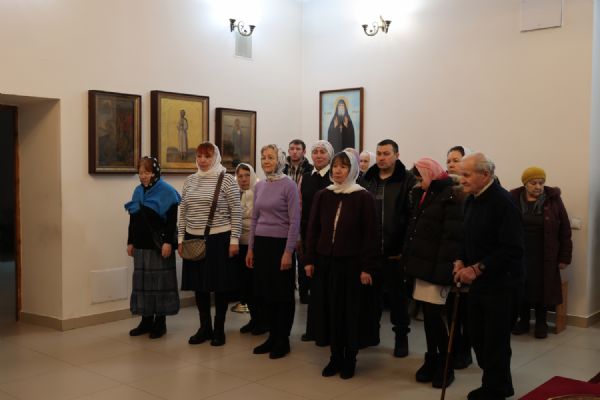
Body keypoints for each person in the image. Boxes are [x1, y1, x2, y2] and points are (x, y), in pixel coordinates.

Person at [454, 152, 524, 400]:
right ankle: (501, 384)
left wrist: (476, 269)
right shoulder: (472, 199)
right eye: (461, 174)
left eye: (466, 174)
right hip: (480, 284)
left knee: (495, 341)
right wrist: (460, 259)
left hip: (503, 284)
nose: (461, 180)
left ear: (485, 174)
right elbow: (466, 236)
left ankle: (494, 389)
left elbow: (512, 249)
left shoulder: (503, 203)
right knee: (477, 336)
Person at [304, 150, 380, 379]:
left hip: (352, 264)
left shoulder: (363, 197)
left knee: (350, 313)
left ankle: (350, 358)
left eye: (343, 166)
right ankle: (335, 356)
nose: (337, 170)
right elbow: (313, 229)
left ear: (352, 170)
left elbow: (371, 235)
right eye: (335, 166)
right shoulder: (323, 195)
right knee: (331, 310)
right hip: (326, 262)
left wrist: (367, 267)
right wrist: (309, 259)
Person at [403, 157, 465, 389]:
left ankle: (445, 365)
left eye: (421, 177)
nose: (418, 182)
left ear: (431, 174)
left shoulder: (450, 196)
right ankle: (431, 358)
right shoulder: (425, 194)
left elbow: (451, 239)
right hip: (423, 266)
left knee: (436, 319)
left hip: (437, 269)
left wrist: (442, 273)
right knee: (428, 318)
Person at [178, 142, 242, 347]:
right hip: (193, 239)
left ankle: (219, 329)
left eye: (207, 156)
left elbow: (236, 211)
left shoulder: (226, 179)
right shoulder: (190, 180)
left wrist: (234, 240)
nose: (202, 160)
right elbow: (182, 211)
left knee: (220, 286)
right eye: (199, 156)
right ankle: (204, 327)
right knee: (199, 286)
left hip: (219, 239)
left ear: (216, 157)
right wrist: (180, 239)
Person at [360, 139, 416, 357]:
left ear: (397, 155)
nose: (382, 158)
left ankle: (401, 338)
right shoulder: (368, 179)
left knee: (397, 299)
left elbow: (411, 218)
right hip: (371, 251)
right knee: (370, 298)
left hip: (395, 252)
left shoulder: (407, 180)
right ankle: (371, 334)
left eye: (386, 153)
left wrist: (404, 249)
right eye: (379, 153)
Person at [246, 144, 300, 359]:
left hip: (280, 246)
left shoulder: (289, 185)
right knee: (265, 293)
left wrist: (288, 251)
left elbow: (295, 221)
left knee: (282, 295)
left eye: (270, 157)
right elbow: (255, 219)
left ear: (280, 160)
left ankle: (282, 340)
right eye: (263, 157)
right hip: (261, 245)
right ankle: (271, 336)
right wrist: (251, 248)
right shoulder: (260, 186)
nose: (266, 161)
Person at [510, 167, 572, 339]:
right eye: (533, 183)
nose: (538, 186)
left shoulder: (553, 200)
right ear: (525, 183)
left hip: (545, 254)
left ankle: (541, 322)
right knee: (522, 286)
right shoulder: (513, 198)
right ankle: (523, 321)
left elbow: (565, 230)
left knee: (542, 288)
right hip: (520, 253)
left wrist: (564, 257)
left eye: (541, 183)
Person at [125, 157, 181, 339]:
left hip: (159, 246)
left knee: (159, 285)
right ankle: (146, 321)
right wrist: (130, 242)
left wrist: (168, 243)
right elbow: (133, 220)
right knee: (143, 285)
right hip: (141, 246)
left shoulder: (167, 192)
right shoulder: (138, 191)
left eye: (147, 172)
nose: (143, 176)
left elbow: (171, 221)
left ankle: (160, 323)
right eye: (140, 172)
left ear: (155, 173)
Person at [299, 140, 334, 338]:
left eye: (322, 152)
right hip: (308, 233)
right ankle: (313, 328)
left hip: (327, 233)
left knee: (326, 283)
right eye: (315, 152)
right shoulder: (306, 177)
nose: (318, 155)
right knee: (313, 283)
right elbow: (301, 205)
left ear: (330, 155)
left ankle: (328, 329)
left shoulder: (333, 176)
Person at [445, 145, 473, 369]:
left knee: (466, 312)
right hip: (448, 256)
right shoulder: (444, 188)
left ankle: (464, 351)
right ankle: (452, 350)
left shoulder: (472, 191)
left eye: (456, 160)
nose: (451, 164)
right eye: (449, 161)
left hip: (467, 258)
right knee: (450, 309)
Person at [234, 163, 268, 335]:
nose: (244, 179)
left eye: (247, 175)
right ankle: (254, 319)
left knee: (257, 284)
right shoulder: (234, 192)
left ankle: (263, 320)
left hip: (256, 243)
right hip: (238, 243)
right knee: (245, 284)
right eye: (240, 176)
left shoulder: (260, 191)